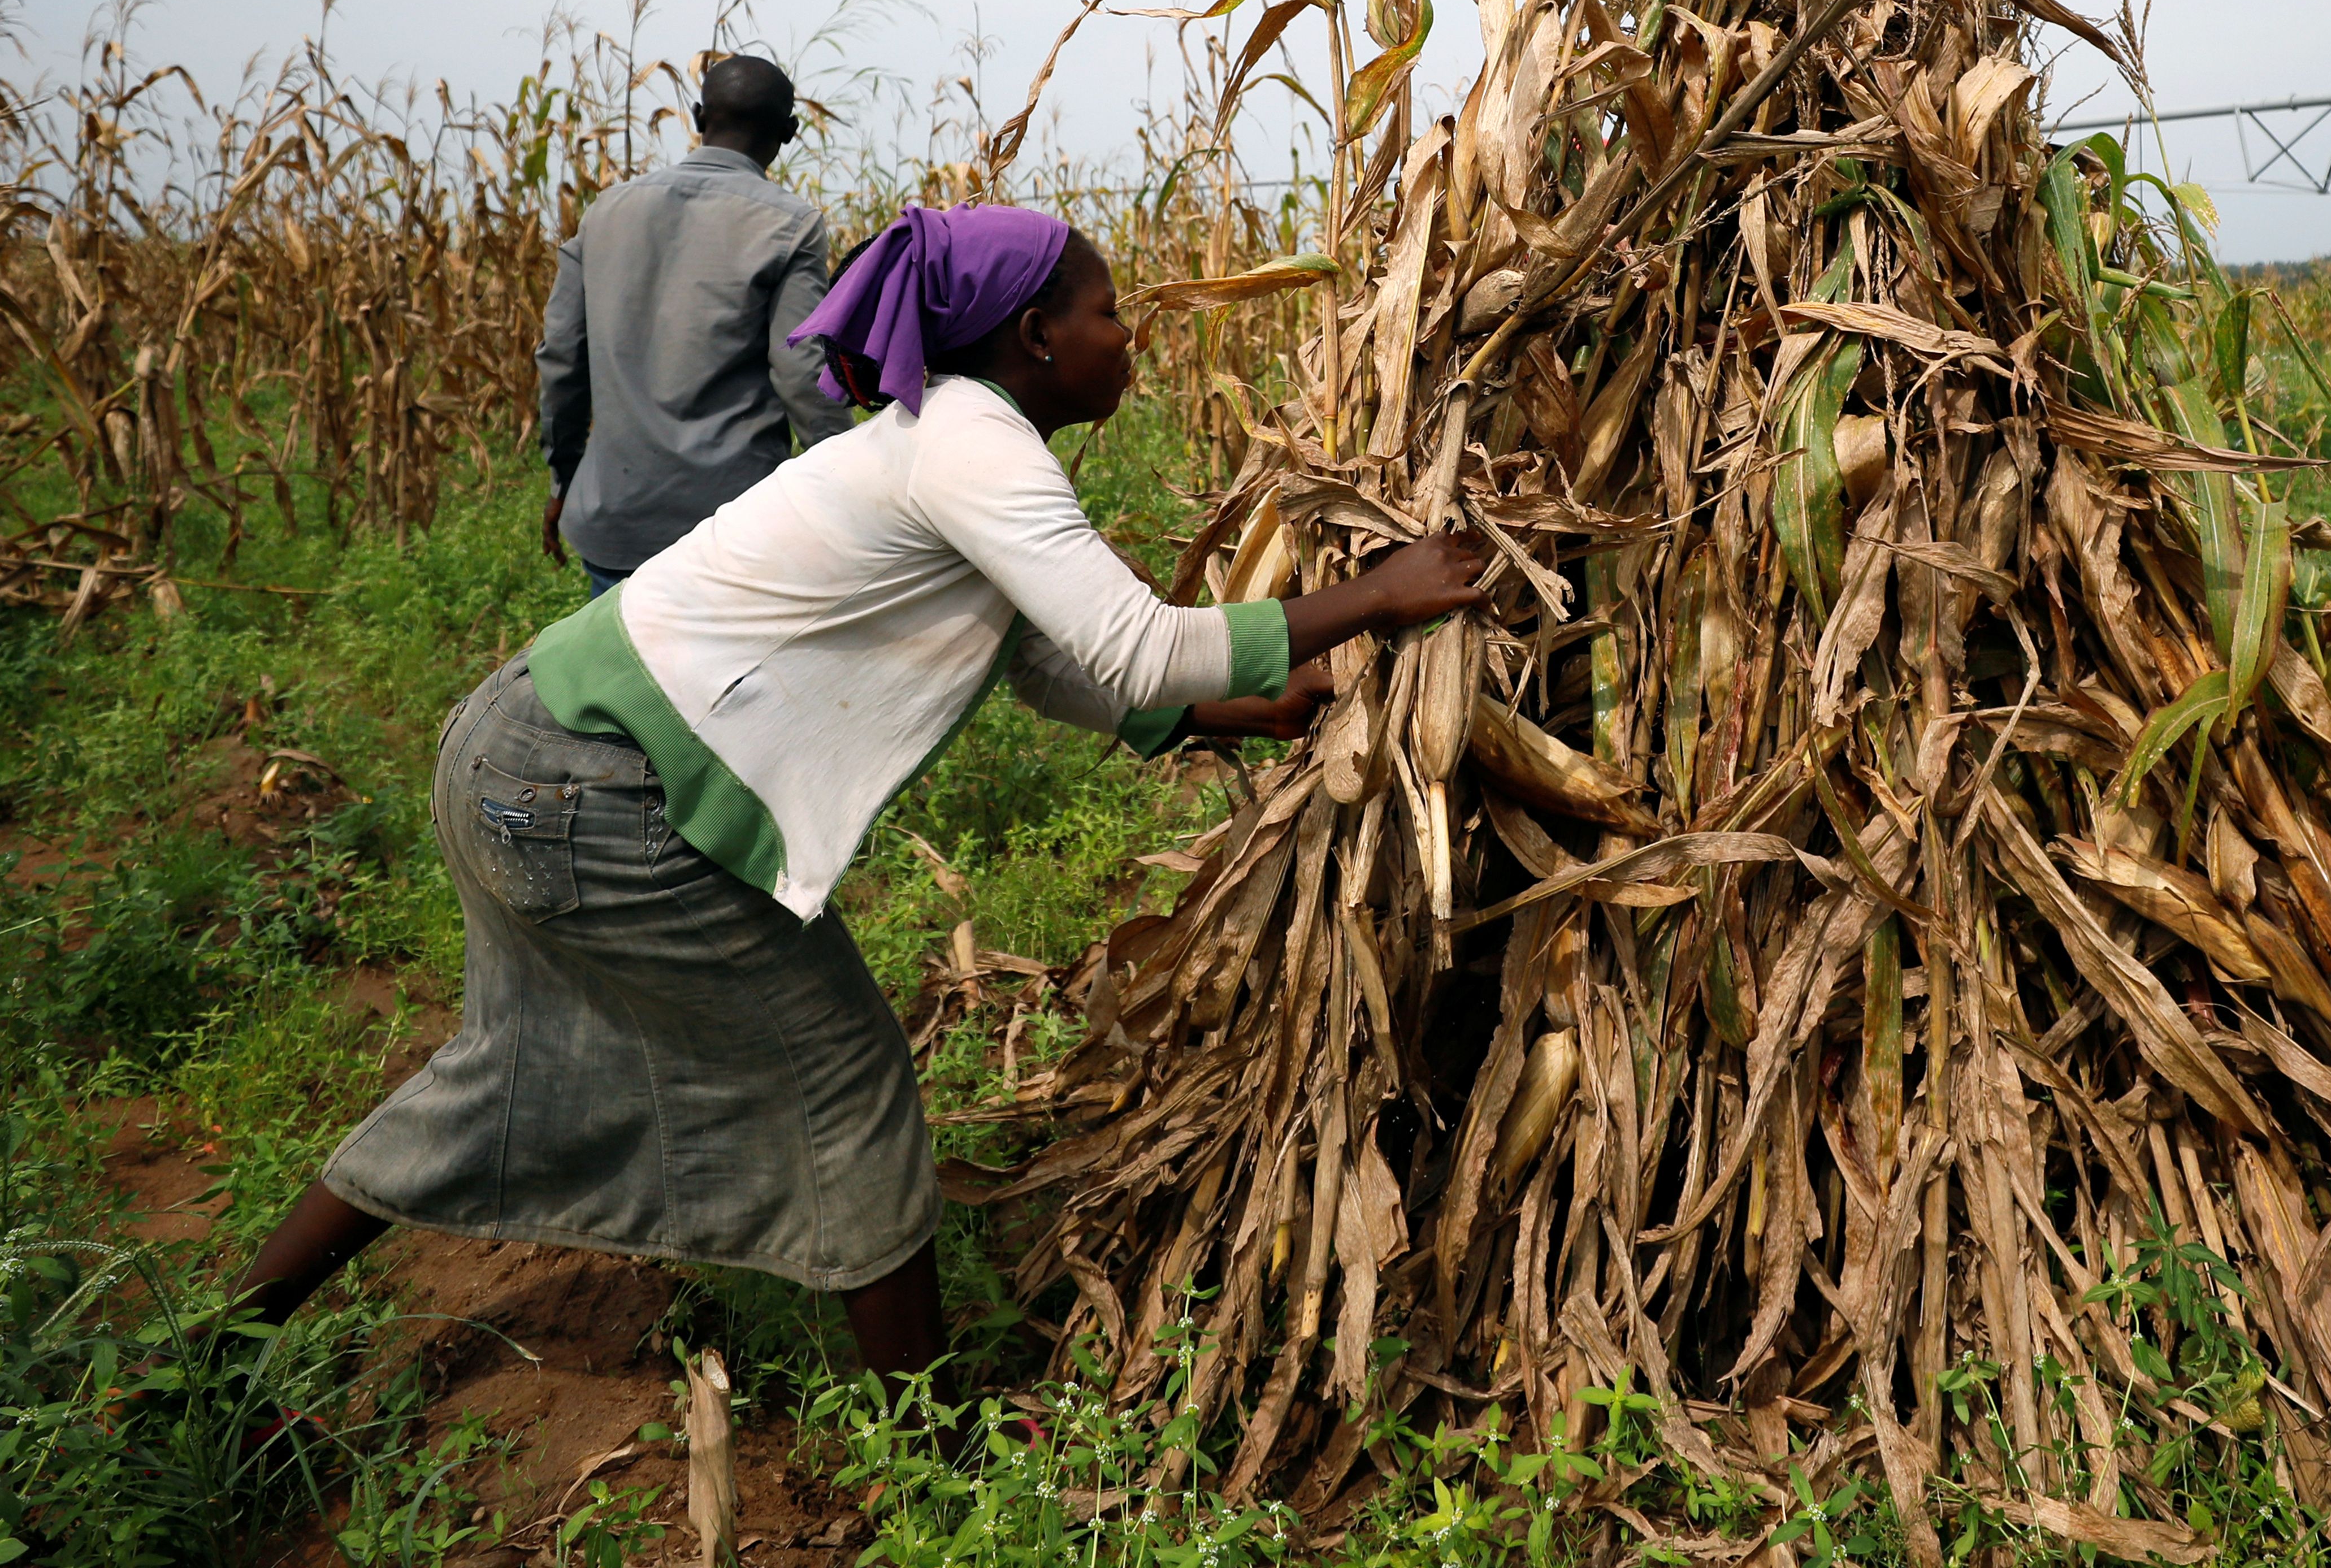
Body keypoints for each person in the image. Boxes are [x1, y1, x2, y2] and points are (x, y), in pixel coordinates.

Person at [229, 203, 1492, 1385]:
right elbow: (1140, 646)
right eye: (1108, 308)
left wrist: (1231, 704)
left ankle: (212, 1351)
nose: (1130, 332)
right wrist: (1379, 590)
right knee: (849, 1085)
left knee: (509, 1068)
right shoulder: (971, 443)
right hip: (603, 793)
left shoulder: (943, 437)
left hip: (532, 746)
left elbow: (1053, 664)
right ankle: (928, 1440)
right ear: (1035, 334)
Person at [536, 54, 850, 596]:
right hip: (730, 535)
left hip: (614, 523)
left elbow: (562, 358)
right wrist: (847, 492)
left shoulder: (606, 212)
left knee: (618, 680)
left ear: (699, 115)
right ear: (790, 133)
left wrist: (565, 478)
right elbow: (803, 374)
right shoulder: (791, 225)